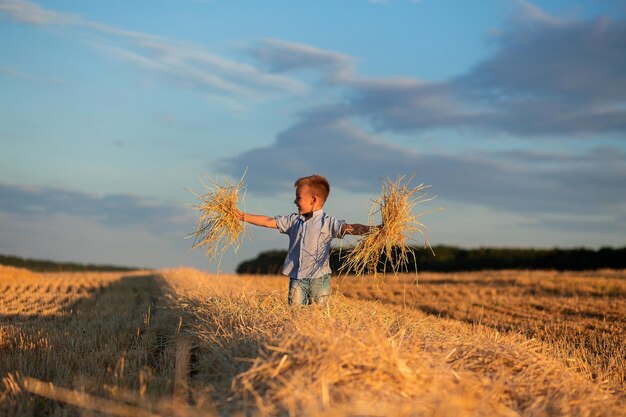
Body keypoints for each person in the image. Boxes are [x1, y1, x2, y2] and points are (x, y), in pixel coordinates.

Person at [233, 174, 378, 306]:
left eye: (298, 197)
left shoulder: (327, 223)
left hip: (319, 279)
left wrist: (375, 230)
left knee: (318, 315)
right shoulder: (293, 221)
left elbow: (349, 228)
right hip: (297, 278)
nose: (295, 201)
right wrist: (243, 217)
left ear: (313, 200)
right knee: (295, 314)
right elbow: (268, 221)